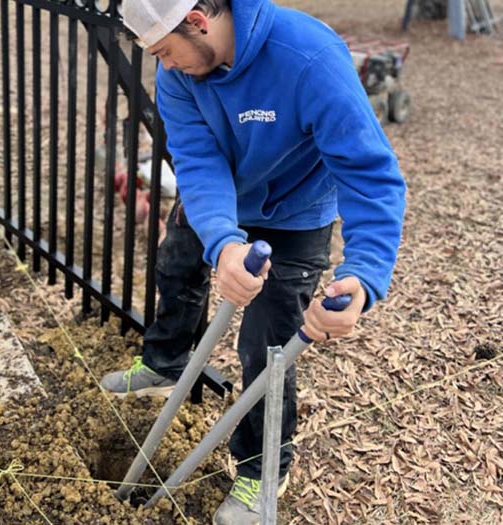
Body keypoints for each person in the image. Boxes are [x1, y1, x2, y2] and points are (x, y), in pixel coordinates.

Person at [101, 0, 406, 523]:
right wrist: (223, 243)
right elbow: (197, 157)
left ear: (197, 20)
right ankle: (165, 363)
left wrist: (365, 273)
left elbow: (369, 173)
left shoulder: (309, 55)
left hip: (296, 211)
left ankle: (261, 471)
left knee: (268, 346)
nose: (165, 65)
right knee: (176, 264)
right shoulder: (180, 70)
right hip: (222, 201)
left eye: (166, 51)